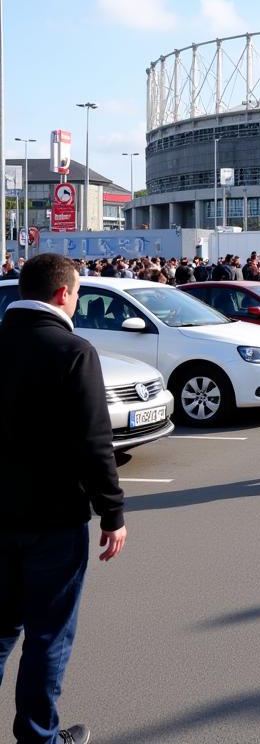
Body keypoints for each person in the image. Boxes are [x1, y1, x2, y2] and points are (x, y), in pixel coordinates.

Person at [0, 253, 127, 744]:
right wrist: (112, 511)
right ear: (63, 294)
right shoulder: (73, 350)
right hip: (54, 518)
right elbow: (95, 443)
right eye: (76, 293)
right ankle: (38, 737)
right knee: (47, 637)